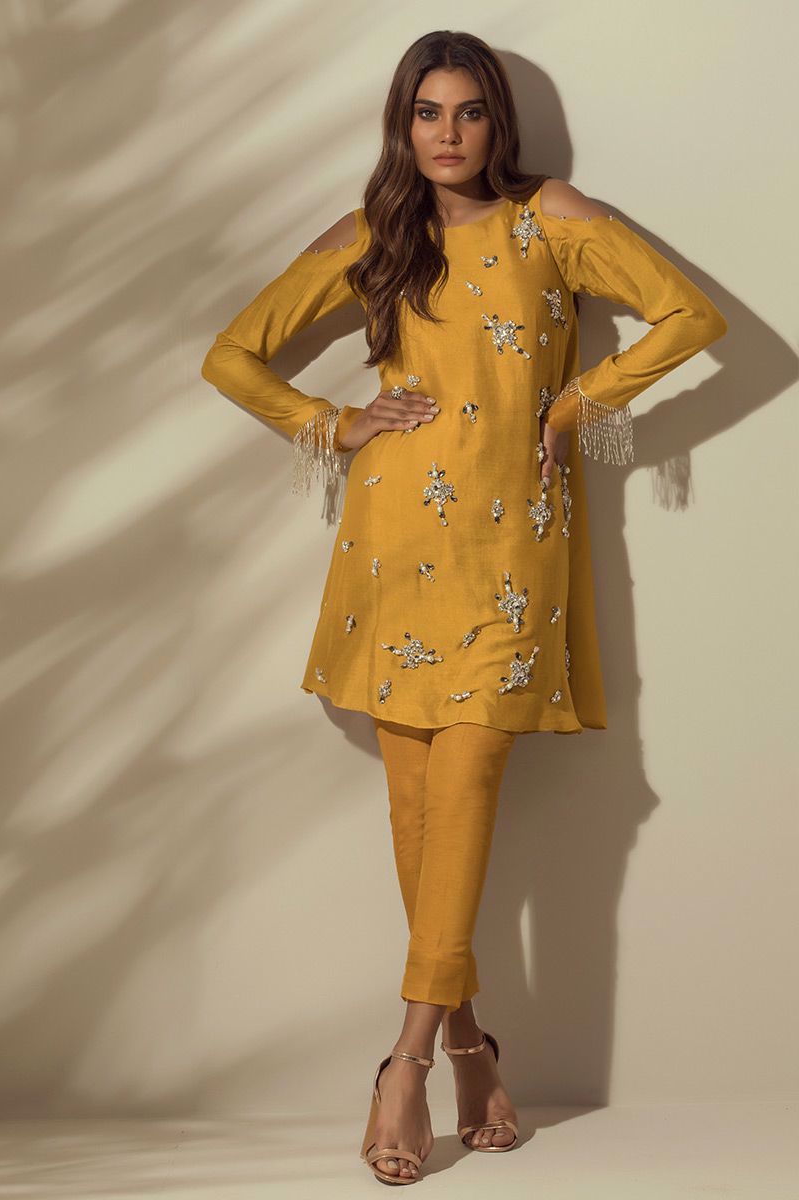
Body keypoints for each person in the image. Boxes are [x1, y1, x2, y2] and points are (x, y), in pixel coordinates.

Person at [201, 29, 728, 1187]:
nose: (447, 134)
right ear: (402, 125)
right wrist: (335, 425)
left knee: (470, 776)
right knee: (417, 808)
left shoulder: (552, 218)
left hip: (513, 548)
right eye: (426, 113)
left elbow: (691, 317)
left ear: (498, 122)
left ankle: (402, 1060)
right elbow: (232, 355)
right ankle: (471, 1045)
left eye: (468, 111)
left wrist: (576, 403)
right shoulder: (374, 234)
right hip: (395, 539)